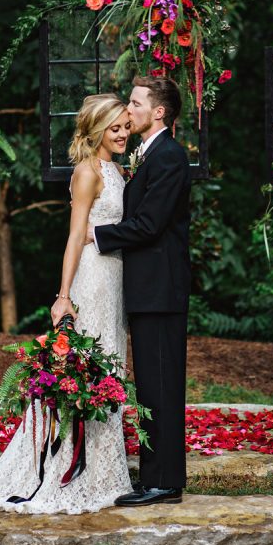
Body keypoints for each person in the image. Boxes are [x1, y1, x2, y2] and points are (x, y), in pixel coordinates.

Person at [0, 93, 133, 515]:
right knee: (90, 369)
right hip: (92, 277)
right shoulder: (88, 172)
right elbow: (74, 236)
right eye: (115, 127)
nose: (124, 133)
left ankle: (105, 472)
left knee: (111, 365)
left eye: (126, 125)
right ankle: (71, 471)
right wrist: (64, 294)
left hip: (116, 279)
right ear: (96, 130)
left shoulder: (117, 168)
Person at [87, 76, 191, 507]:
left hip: (160, 290)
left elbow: (149, 225)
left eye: (135, 103)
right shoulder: (151, 154)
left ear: (159, 112)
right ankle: (158, 477)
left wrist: (95, 235)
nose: (128, 110)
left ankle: (163, 482)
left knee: (161, 385)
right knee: (151, 384)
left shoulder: (169, 157)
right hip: (149, 289)